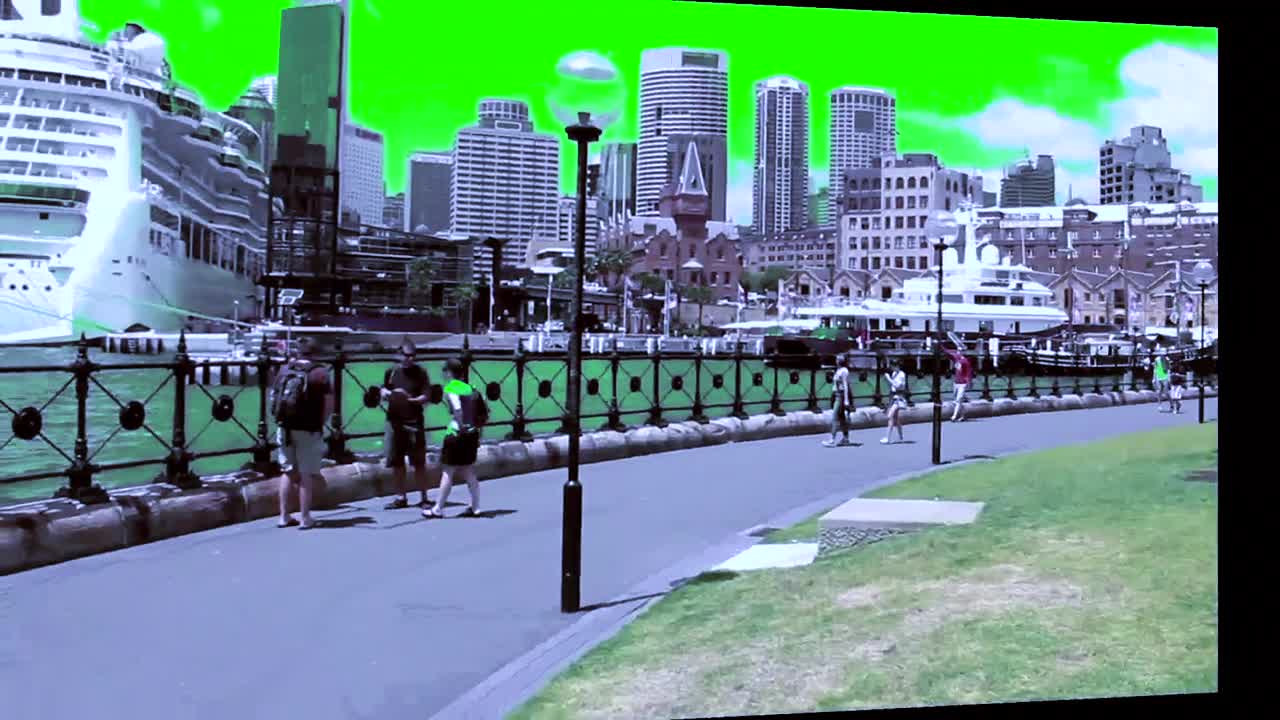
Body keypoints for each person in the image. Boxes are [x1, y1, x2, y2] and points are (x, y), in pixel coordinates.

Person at [271, 337, 332, 530]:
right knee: (306, 474)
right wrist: (321, 423)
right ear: (316, 353)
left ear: (298, 352)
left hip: (285, 426)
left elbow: (274, 396)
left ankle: (284, 516)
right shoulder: (321, 373)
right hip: (308, 428)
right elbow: (329, 405)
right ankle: (305, 517)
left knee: (287, 471)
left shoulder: (285, 370)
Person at [423, 357, 489, 519]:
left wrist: (460, 426)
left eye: (445, 371)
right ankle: (475, 507)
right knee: (468, 470)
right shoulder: (469, 388)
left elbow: (458, 410)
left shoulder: (451, 388)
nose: (444, 374)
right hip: (472, 434)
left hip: (457, 434)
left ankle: (438, 508)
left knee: (448, 471)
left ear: (450, 372)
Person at [381, 339, 432, 509]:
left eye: (412, 355)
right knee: (396, 461)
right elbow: (383, 389)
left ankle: (424, 497)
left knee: (418, 462)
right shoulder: (392, 371)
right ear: (399, 354)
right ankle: (400, 497)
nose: (410, 358)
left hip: (414, 420)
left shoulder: (421, 373)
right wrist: (387, 393)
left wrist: (413, 400)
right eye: (406, 355)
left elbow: (426, 395)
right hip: (394, 420)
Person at [823, 354, 854, 447]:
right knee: (841, 418)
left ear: (842, 360)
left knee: (834, 416)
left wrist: (846, 400)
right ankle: (846, 438)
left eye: (838, 359)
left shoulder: (844, 371)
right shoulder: (838, 370)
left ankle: (832, 439)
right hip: (835, 395)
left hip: (840, 395)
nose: (836, 360)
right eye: (836, 359)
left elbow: (845, 385)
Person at [881, 359, 907, 445]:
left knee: (890, 416)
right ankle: (901, 436)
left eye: (893, 366)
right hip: (894, 397)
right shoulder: (894, 373)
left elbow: (898, 386)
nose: (891, 368)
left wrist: (888, 379)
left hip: (899, 398)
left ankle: (887, 438)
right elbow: (892, 386)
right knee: (895, 418)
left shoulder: (902, 374)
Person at [946, 347, 974, 423]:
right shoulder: (956, 359)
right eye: (958, 351)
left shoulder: (965, 362)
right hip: (956, 383)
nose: (958, 352)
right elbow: (949, 354)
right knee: (957, 401)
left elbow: (968, 373)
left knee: (958, 400)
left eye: (959, 351)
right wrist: (941, 346)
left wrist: (969, 383)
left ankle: (954, 417)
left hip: (962, 384)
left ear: (962, 352)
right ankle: (962, 416)